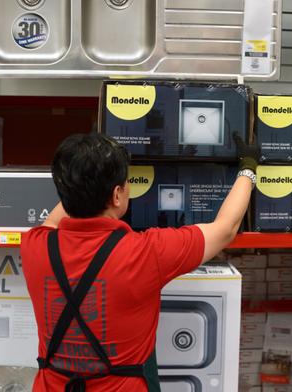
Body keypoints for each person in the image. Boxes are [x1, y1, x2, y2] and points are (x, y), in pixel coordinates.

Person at [21, 132, 260, 391]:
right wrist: (248, 168)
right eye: (126, 183)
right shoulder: (147, 252)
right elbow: (226, 228)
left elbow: (57, 218)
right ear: (116, 195)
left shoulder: (35, 246)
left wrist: (83, 171)